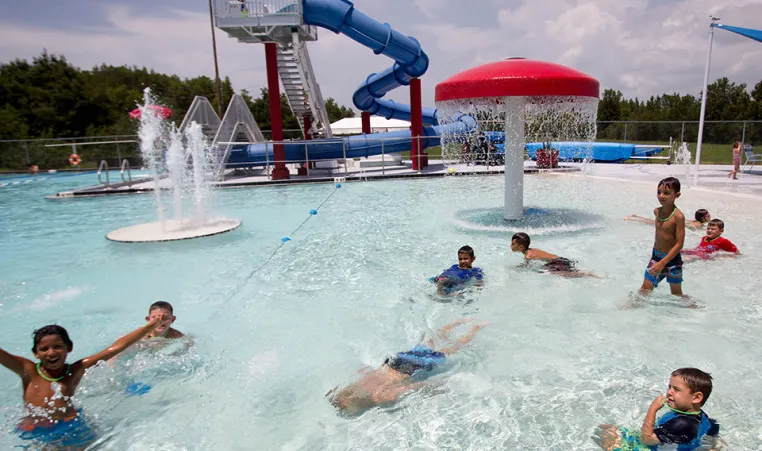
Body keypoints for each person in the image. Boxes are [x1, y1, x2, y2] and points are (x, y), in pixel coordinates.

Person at [0, 317, 169, 447]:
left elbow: (116, 347)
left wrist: (150, 326)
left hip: (70, 427)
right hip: (38, 430)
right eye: (44, 349)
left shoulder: (74, 371)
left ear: (69, 348)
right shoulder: (28, 371)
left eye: (58, 346)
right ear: (36, 353)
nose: (51, 353)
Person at [327, 319, 487, 416]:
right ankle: (457, 322)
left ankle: (475, 329)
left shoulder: (379, 397)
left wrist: (440, 386)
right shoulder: (359, 381)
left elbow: (411, 386)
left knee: (448, 350)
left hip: (409, 369)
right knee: (429, 342)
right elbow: (364, 369)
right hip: (393, 360)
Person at [594, 368, 720, 451]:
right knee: (607, 428)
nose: (669, 392)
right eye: (669, 387)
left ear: (696, 397)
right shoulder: (705, 419)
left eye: (676, 389)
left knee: (604, 439)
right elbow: (713, 434)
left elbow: (646, 440)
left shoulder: (682, 424)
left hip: (651, 446)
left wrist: (653, 409)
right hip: (663, 441)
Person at [640, 177, 685, 296]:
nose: (661, 196)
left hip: (672, 260)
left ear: (677, 195)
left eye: (666, 193)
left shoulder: (678, 217)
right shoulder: (657, 212)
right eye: (659, 192)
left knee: (676, 294)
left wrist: (663, 263)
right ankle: (632, 309)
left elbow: (679, 244)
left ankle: (695, 308)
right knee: (644, 290)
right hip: (656, 257)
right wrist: (658, 261)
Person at [510, 232, 597, 278]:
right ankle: (588, 274)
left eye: (513, 244)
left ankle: (588, 274)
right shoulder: (533, 250)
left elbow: (527, 267)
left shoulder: (528, 256)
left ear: (521, 247)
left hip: (558, 262)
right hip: (561, 259)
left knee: (558, 274)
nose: (510, 246)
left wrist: (516, 269)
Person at [625, 209, 710, 230]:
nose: (710, 216)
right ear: (703, 218)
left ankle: (637, 217)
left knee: (652, 221)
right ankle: (632, 219)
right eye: (708, 215)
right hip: (672, 224)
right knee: (652, 223)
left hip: (672, 221)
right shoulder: (699, 224)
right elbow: (688, 225)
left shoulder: (694, 220)